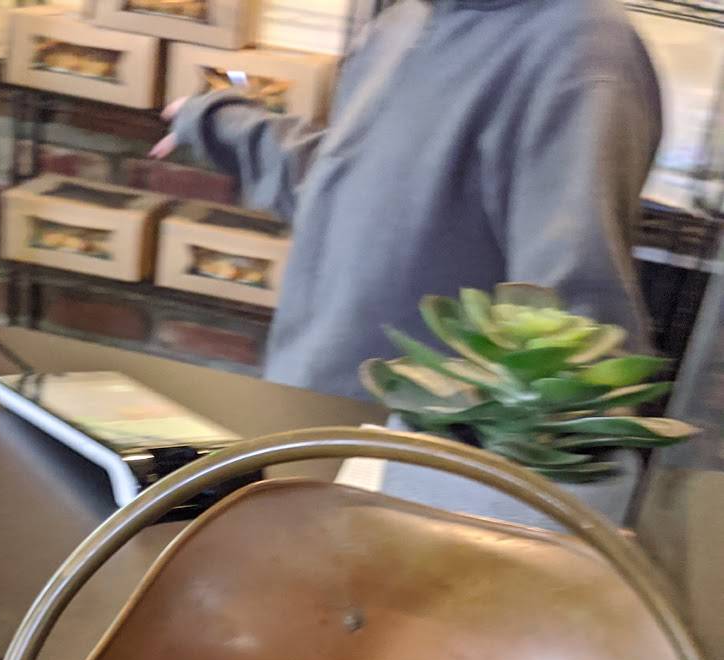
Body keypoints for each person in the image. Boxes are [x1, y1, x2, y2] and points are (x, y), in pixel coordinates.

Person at [151, 0, 662, 399]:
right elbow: (345, 196)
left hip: (412, 465)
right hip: (309, 413)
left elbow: (577, 331)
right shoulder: (401, 23)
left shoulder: (582, 55)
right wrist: (222, 123)